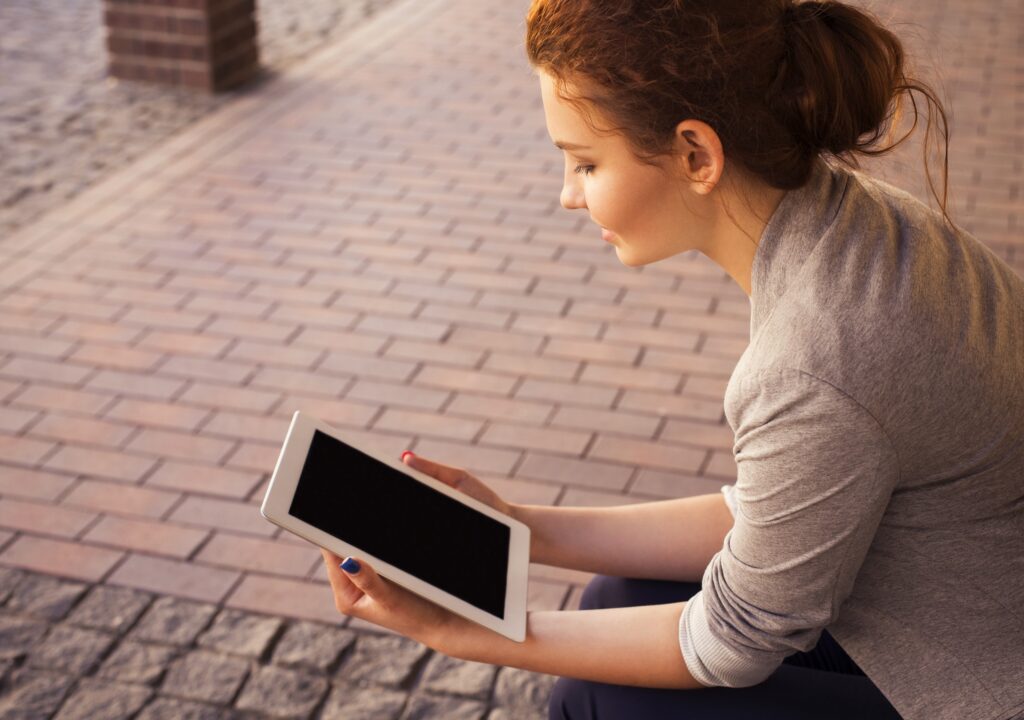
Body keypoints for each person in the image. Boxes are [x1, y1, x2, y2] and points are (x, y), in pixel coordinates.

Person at [318, 1, 1024, 718]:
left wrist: (458, 631)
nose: (568, 195)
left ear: (697, 156)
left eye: (586, 162)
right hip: (958, 615)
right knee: (613, 597)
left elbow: (732, 641)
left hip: (977, 683)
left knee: (597, 702)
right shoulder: (860, 223)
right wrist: (516, 527)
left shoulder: (813, 363)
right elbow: (774, 509)